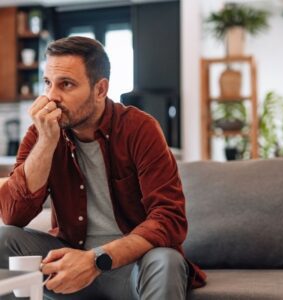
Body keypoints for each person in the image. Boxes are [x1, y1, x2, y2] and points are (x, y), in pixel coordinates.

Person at [0, 36, 206, 300]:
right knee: (4, 239)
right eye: (48, 83)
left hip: (132, 266)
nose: (52, 97)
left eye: (66, 84)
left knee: (167, 261)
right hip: (68, 263)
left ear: (100, 89)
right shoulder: (41, 133)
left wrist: (96, 259)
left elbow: (169, 218)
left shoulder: (139, 129)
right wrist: (45, 144)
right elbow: (14, 217)